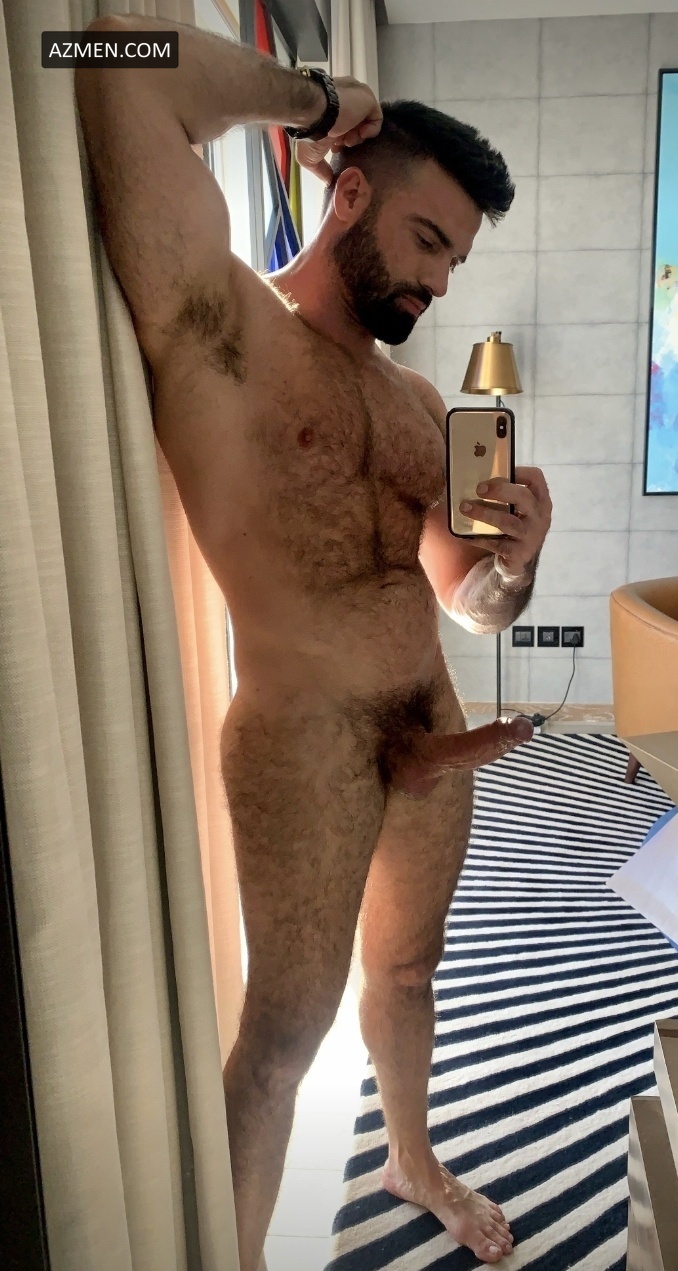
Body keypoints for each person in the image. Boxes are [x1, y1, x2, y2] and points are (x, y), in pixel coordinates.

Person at [75, 15, 552, 1268]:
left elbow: (468, 599)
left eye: (456, 259)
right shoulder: (224, 330)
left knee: (410, 973)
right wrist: (314, 97)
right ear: (348, 192)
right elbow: (113, 61)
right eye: (429, 240)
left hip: (431, 720)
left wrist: (516, 565)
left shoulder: (420, 402)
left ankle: (412, 1158)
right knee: (285, 1037)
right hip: (305, 738)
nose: (441, 283)